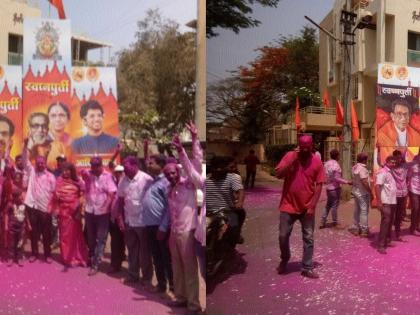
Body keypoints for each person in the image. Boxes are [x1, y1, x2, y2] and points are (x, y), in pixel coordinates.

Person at [275, 135, 325, 279]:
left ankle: (307, 266)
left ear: (311, 147)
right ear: (298, 146)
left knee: (308, 238)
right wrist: (293, 159)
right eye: (301, 148)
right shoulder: (290, 156)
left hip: (307, 207)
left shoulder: (316, 161)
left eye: (307, 148)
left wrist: (312, 206)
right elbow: (278, 174)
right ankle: (285, 258)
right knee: (283, 236)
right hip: (287, 205)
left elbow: (319, 184)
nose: (304, 150)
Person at [163, 160, 201, 313]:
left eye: (173, 173)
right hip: (174, 231)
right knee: (176, 266)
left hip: (187, 231)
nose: (170, 176)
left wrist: (183, 150)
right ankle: (181, 297)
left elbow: (194, 167)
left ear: (178, 172)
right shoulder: (169, 189)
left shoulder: (188, 184)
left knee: (190, 268)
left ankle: (193, 304)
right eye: (167, 174)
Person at [116, 156, 153, 286]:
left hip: (143, 222)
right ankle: (133, 275)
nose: (124, 170)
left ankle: (147, 278)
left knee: (145, 252)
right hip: (129, 221)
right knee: (132, 249)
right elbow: (120, 201)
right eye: (124, 168)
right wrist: (120, 218)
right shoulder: (123, 181)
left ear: (135, 165)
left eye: (126, 167)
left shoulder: (146, 179)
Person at [143, 153, 173, 293]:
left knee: (166, 257)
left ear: (161, 166)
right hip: (150, 226)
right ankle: (161, 284)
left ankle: (173, 287)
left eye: (151, 163)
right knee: (156, 256)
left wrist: (163, 227)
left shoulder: (165, 182)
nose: (148, 166)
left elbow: (169, 206)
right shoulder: (153, 181)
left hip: (161, 227)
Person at [81, 156, 116, 276]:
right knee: (90, 238)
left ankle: (95, 264)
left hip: (103, 213)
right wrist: (85, 174)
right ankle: (91, 256)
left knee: (101, 239)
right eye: (92, 165)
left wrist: (106, 207)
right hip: (90, 211)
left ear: (101, 165)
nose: (94, 168)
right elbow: (83, 176)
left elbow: (111, 194)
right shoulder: (89, 175)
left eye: (96, 165)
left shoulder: (108, 176)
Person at [50, 162, 88, 268]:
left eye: (68, 170)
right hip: (64, 213)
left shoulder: (78, 181)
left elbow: (83, 193)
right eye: (63, 170)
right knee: (65, 236)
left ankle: (80, 258)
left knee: (77, 236)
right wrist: (56, 201)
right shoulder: (59, 181)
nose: (65, 172)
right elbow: (55, 197)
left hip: (75, 213)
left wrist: (79, 204)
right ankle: (68, 259)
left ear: (72, 171)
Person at [24, 142, 56, 263]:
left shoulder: (51, 177)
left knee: (46, 233)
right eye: (38, 163)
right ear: (35, 164)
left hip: (45, 209)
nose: (40, 165)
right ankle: (34, 253)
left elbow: (54, 194)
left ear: (45, 164)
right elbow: (24, 158)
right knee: (33, 233)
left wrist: (51, 208)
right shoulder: (32, 172)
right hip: (33, 207)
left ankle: (47, 255)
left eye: (42, 163)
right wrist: (25, 145)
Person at [206, 156, 245, 243]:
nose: (219, 170)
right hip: (209, 214)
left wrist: (239, 202)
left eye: (222, 167)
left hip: (227, 212)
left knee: (233, 230)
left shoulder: (232, 178)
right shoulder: (206, 179)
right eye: (217, 167)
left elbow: (240, 191)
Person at [376, 99, 420, 165]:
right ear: (392, 116)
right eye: (399, 114)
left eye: (406, 114)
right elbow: (387, 157)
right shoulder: (383, 133)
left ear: (409, 116)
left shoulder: (416, 135)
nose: (403, 118)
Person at [320, 149, 351, 229]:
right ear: (337, 156)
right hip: (335, 188)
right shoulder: (336, 165)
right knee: (334, 206)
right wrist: (347, 182)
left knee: (328, 205)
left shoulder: (326, 163)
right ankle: (334, 222)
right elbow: (337, 178)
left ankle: (322, 221)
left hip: (328, 188)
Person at [376, 155, 398, 254]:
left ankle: (387, 241)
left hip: (392, 201)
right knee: (385, 222)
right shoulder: (382, 172)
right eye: (391, 162)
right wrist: (379, 202)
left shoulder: (390, 172)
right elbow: (377, 186)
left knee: (389, 222)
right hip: (385, 202)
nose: (393, 164)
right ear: (387, 162)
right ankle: (381, 245)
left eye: (394, 162)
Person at [108, 164, 126, 274]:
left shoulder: (126, 184)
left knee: (126, 242)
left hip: (126, 219)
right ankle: (115, 265)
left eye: (121, 172)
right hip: (114, 218)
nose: (119, 174)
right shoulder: (112, 183)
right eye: (117, 172)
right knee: (115, 242)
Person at [5, 187, 30, 267]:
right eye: (20, 196)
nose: (22, 197)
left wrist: (28, 224)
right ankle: (11, 258)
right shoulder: (10, 204)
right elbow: (6, 214)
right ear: (15, 196)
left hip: (21, 227)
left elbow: (26, 215)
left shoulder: (23, 205)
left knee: (20, 243)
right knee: (12, 243)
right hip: (12, 227)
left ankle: (19, 258)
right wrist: (6, 225)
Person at [349, 153, 371, 237]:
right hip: (362, 192)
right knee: (364, 211)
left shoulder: (354, 167)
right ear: (364, 160)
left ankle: (356, 228)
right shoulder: (362, 169)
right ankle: (364, 230)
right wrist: (370, 191)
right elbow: (364, 181)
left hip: (356, 191)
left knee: (357, 210)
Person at [391, 150, 409, 241]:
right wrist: (378, 150)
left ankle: (398, 234)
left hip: (404, 194)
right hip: (394, 194)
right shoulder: (391, 168)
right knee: (391, 215)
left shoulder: (405, 167)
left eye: (400, 157)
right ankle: (388, 235)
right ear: (394, 158)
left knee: (399, 215)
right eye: (397, 158)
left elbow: (413, 163)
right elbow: (380, 162)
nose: (399, 159)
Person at [408, 153, 420, 235]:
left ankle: (416, 226)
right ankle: (413, 228)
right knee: (415, 208)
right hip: (414, 189)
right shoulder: (413, 164)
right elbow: (408, 176)